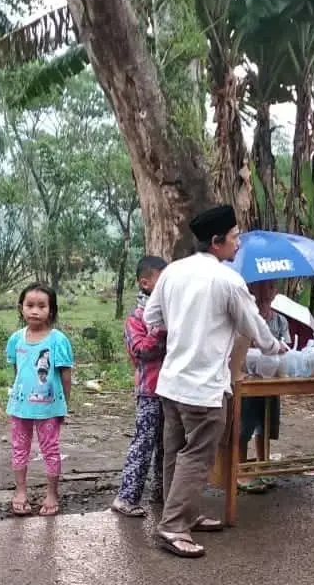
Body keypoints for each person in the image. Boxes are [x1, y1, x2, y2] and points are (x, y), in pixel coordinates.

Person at [144, 205, 287, 558]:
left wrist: (185, 326)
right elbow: (254, 326)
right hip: (203, 386)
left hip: (172, 382)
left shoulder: (174, 272)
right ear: (216, 241)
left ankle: (183, 514)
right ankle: (174, 526)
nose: (238, 244)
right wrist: (274, 347)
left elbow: (151, 317)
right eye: (235, 237)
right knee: (197, 456)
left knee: (176, 452)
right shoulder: (227, 281)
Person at [5, 284, 73, 517]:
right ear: (21, 308)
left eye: (41, 306)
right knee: (19, 448)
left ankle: (52, 493)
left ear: (51, 310)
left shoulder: (58, 340)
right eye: (29, 305)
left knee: (50, 450)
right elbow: (17, 371)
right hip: (20, 407)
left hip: (49, 408)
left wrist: (64, 405)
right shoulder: (16, 339)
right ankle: (20, 491)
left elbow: (65, 375)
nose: (35, 311)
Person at [113, 256, 169, 517]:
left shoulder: (171, 313)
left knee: (167, 444)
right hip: (150, 390)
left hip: (171, 389)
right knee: (144, 443)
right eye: (162, 280)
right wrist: (159, 330)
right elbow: (139, 351)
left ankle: (161, 493)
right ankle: (126, 497)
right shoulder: (137, 318)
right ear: (145, 283)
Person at [238, 279, 290, 494]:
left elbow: (287, 345)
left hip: (272, 378)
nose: (266, 292)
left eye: (271, 287)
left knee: (266, 422)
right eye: (262, 287)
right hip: (248, 378)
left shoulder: (280, 320)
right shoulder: (247, 318)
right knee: (244, 424)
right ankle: (240, 469)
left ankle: (262, 464)